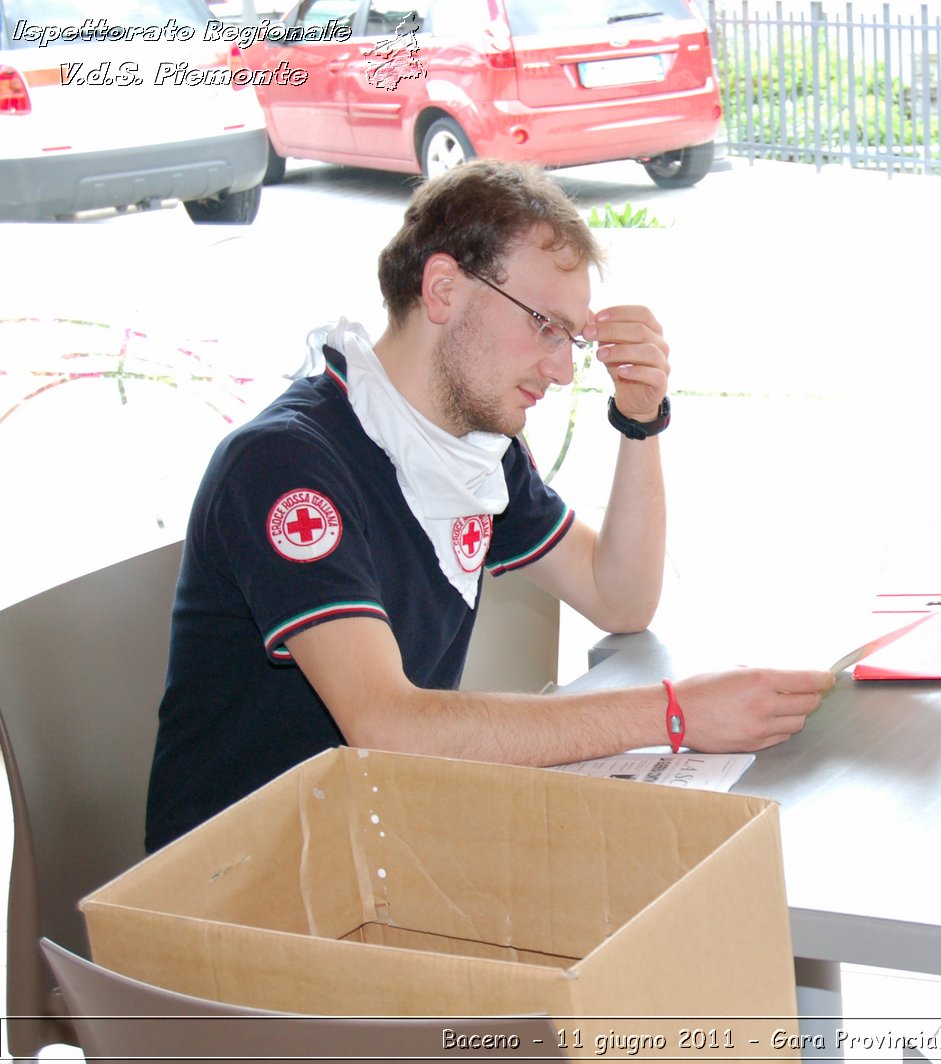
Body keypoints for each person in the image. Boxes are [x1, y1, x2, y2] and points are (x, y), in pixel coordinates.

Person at [145, 160, 833, 851]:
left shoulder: (471, 449)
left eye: (573, 339)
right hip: (247, 885)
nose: (564, 369)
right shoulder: (284, 465)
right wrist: (674, 713)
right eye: (545, 326)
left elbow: (619, 598)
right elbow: (390, 727)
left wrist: (640, 421)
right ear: (443, 289)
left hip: (377, 841)